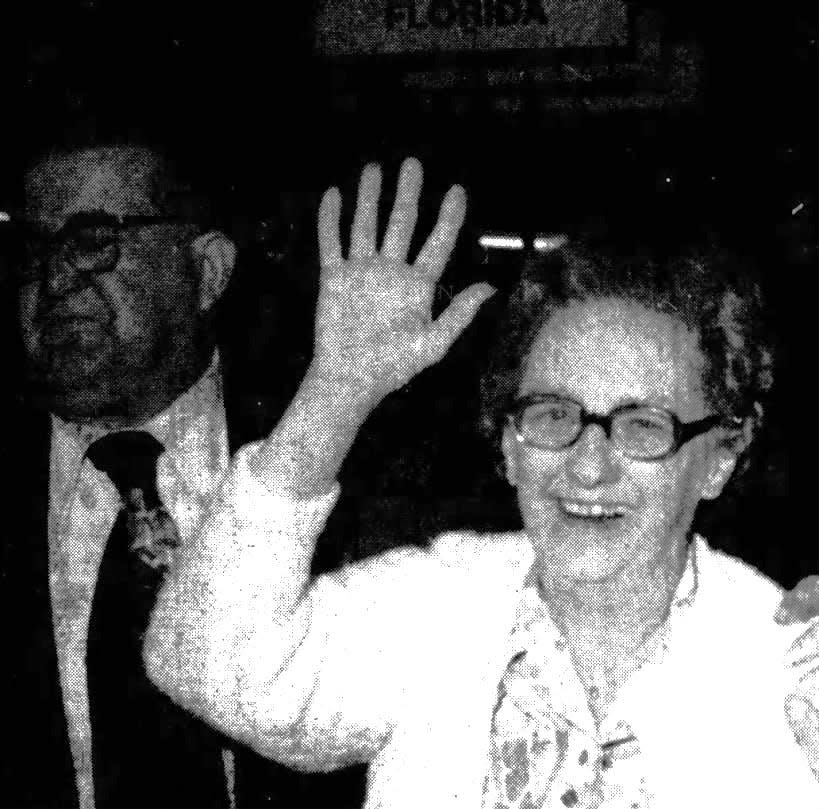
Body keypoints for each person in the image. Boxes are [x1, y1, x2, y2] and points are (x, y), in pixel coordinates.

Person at [144, 158, 819, 808]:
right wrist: (335, 393)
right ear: (506, 444)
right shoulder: (435, 610)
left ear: (721, 455)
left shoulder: (781, 665)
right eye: (553, 414)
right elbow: (204, 663)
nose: (588, 464)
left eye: (643, 426)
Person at [0, 132, 365, 808]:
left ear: (206, 272)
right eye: (33, 246)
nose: (53, 281)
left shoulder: (335, 465)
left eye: (93, 238)